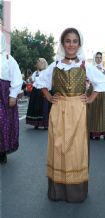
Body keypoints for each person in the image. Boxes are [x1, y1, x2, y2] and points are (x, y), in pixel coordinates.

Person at [35, 27, 105, 202]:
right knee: (58, 147)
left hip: (78, 110)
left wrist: (92, 97)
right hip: (58, 108)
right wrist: (48, 95)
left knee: (76, 149)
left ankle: (75, 191)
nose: (71, 44)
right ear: (63, 43)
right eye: (68, 41)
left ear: (79, 44)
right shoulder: (55, 65)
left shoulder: (85, 65)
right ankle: (58, 191)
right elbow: (40, 82)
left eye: (75, 41)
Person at [0, 31, 23, 164]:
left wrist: (13, 95)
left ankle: (2, 151)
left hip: (4, 95)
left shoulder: (8, 58)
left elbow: (17, 77)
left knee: (3, 122)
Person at [26, 58, 51, 129]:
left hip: (43, 91)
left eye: (39, 62)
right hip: (35, 91)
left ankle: (45, 124)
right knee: (35, 107)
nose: (37, 64)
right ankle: (36, 123)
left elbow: (49, 82)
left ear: (43, 63)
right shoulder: (36, 72)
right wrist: (30, 79)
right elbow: (31, 80)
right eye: (37, 63)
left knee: (44, 108)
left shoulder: (47, 72)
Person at [89, 52, 105, 140]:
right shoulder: (90, 68)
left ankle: (98, 133)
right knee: (91, 112)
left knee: (100, 113)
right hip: (92, 92)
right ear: (94, 58)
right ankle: (90, 132)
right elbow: (87, 80)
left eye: (100, 57)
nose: (99, 59)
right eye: (97, 57)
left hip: (102, 93)